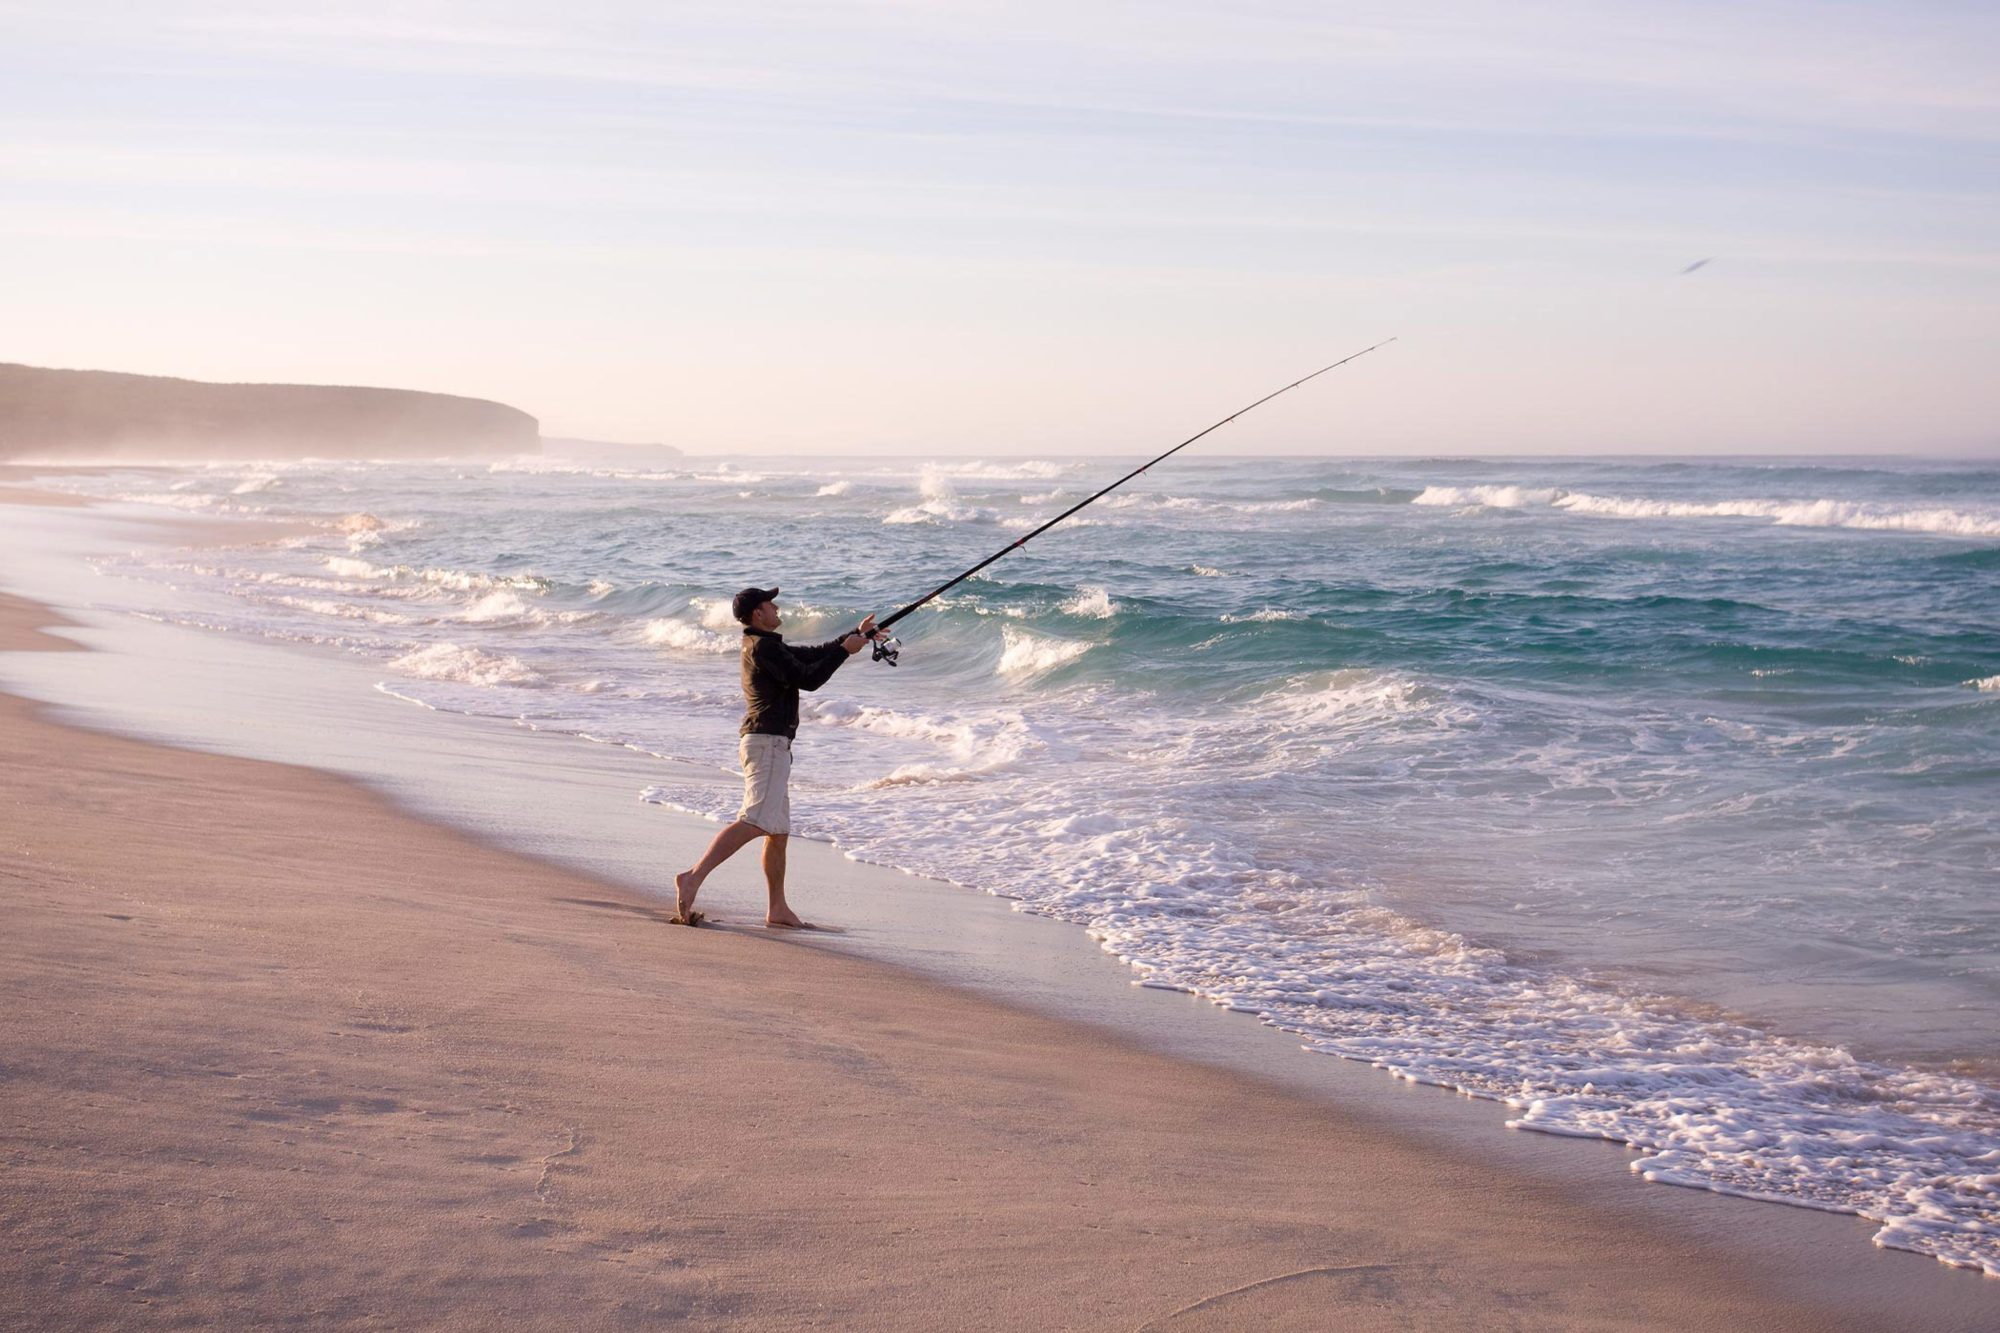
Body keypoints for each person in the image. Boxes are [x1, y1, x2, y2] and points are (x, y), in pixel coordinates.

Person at [671, 586, 878, 928]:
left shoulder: (764, 645)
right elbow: (808, 678)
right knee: (754, 820)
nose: (776, 606)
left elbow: (809, 656)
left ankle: (777, 909)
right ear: (758, 614)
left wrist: (855, 636)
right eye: (770, 603)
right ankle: (693, 876)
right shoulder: (763, 647)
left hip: (770, 743)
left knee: (777, 832)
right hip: (767, 744)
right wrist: (844, 651)